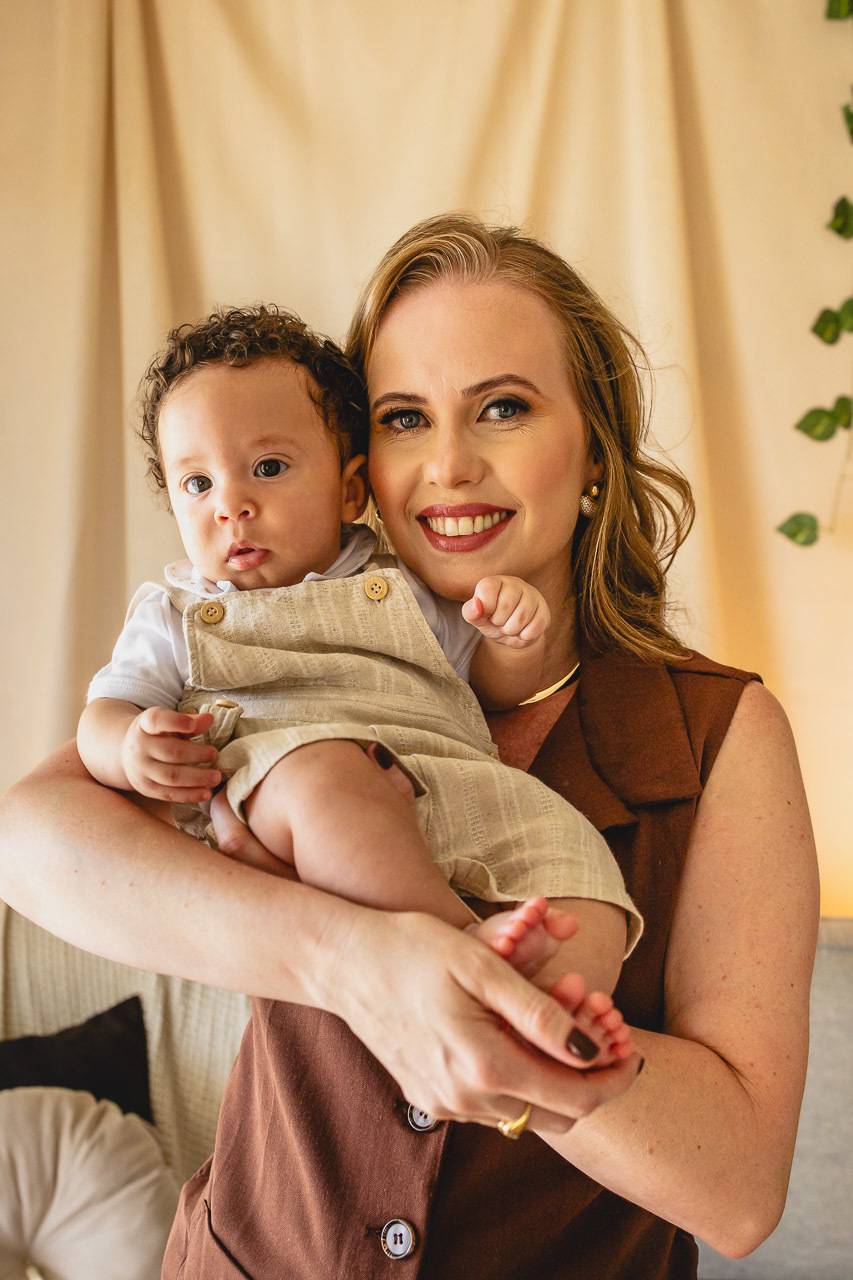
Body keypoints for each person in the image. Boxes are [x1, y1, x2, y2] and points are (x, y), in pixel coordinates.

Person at [0, 214, 818, 1279]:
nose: (447, 464)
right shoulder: (260, 641)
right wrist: (357, 959)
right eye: (403, 417)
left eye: (505, 407)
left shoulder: (715, 732)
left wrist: (483, 1038)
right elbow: (31, 843)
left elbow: (739, 1188)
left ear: (596, 455)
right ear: (358, 464)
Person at [76, 306, 640, 1062]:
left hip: (442, 784)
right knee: (328, 780)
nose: (229, 505)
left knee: (581, 872)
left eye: (268, 469)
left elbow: (487, 684)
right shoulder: (177, 614)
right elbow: (104, 713)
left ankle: (549, 1016)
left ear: (348, 492)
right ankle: (460, 954)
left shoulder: (400, 584)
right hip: (290, 790)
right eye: (197, 482)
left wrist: (510, 631)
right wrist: (128, 746)